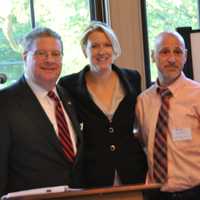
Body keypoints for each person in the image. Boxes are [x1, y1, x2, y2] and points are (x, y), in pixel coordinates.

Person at [59, 20, 147, 188]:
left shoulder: (133, 78)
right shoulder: (68, 85)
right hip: (93, 174)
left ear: (114, 49)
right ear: (85, 50)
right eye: (94, 46)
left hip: (133, 170)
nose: (102, 51)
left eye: (107, 45)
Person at [0, 27, 83, 196]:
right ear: (25, 57)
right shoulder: (5, 102)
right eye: (41, 53)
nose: (49, 60)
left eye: (55, 54)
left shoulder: (67, 96)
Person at [136, 31, 200, 200]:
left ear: (185, 56)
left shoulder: (198, 95)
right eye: (164, 52)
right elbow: (144, 141)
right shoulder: (143, 101)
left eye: (178, 52)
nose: (172, 59)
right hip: (154, 194)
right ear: (152, 56)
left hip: (193, 192)